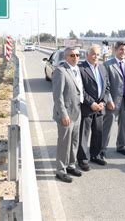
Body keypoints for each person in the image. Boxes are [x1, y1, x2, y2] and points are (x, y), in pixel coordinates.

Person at [102, 41, 125, 157]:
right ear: (115, 50)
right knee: (107, 126)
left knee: (124, 125)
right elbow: (105, 86)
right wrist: (108, 100)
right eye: (121, 49)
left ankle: (121, 146)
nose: (123, 52)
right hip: (112, 102)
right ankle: (102, 148)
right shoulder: (107, 65)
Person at [52, 47, 84, 183]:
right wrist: (63, 114)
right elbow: (57, 96)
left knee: (74, 142)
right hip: (66, 114)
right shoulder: (60, 71)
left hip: (77, 112)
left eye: (77, 55)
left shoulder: (77, 70)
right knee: (64, 143)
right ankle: (61, 170)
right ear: (66, 57)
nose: (75, 57)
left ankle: (71, 165)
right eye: (72, 55)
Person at [77, 45, 111, 170]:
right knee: (84, 135)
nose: (96, 56)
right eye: (93, 54)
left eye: (97, 54)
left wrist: (103, 102)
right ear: (87, 55)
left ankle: (95, 155)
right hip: (87, 107)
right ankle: (82, 159)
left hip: (100, 107)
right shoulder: (81, 69)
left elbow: (107, 87)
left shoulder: (102, 68)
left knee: (98, 133)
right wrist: (91, 103)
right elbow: (80, 90)